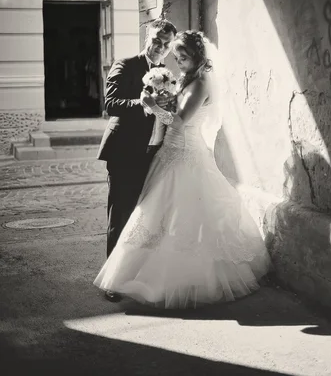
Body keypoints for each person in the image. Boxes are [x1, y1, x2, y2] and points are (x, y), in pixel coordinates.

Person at [93, 30, 271, 309]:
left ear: (198, 57)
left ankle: (178, 277)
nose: (177, 61)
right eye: (175, 56)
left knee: (179, 218)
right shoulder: (158, 72)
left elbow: (178, 121)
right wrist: (158, 101)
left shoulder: (199, 83)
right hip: (156, 154)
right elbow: (114, 103)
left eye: (182, 56)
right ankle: (122, 275)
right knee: (137, 215)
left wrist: (152, 105)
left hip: (185, 154)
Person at [97, 18, 177, 302]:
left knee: (143, 216)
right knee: (120, 214)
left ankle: (135, 271)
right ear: (148, 37)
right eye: (157, 40)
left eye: (166, 44)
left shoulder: (166, 73)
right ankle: (112, 279)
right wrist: (142, 104)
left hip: (153, 152)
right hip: (124, 151)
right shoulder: (126, 64)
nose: (160, 47)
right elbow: (111, 104)